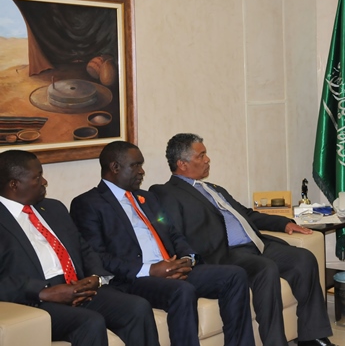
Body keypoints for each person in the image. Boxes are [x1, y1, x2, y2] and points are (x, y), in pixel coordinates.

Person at [149, 133, 335, 346]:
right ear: (182, 164)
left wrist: (284, 224)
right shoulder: (167, 193)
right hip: (226, 254)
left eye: (205, 154)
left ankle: (312, 337)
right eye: (201, 156)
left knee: (304, 258)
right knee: (265, 269)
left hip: (257, 244)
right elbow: (174, 233)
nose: (207, 159)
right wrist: (192, 259)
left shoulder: (213, 189)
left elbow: (246, 214)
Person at [69, 141, 255, 346]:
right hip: (135, 278)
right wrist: (150, 270)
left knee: (235, 276)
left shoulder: (147, 198)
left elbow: (173, 234)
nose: (142, 171)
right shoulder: (88, 203)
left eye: (141, 165)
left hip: (171, 267)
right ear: (115, 167)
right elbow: (98, 256)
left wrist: (187, 259)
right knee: (182, 291)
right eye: (135, 165)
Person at [0, 150, 159, 346]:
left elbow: (84, 249)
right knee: (90, 322)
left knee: (138, 307)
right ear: (14, 184)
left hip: (78, 288)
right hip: (37, 299)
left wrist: (96, 277)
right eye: (37, 177)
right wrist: (43, 292)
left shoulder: (54, 208)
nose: (44, 182)